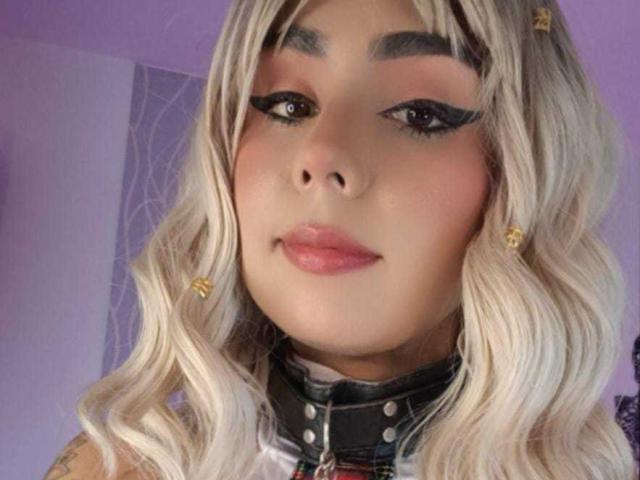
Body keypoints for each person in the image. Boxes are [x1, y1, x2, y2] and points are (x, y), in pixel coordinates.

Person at [44, 0, 638, 479]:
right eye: (289, 104)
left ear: (521, 172)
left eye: (419, 114)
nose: (322, 154)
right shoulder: (111, 468)